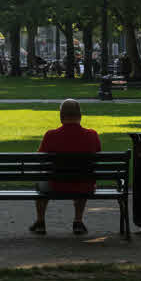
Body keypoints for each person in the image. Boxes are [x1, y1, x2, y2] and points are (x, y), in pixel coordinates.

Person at [30, 99, 101, 237]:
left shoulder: (51, 135)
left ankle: (40, 222)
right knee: (83, 178)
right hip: (84, 185)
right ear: (80, 116)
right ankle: (78, 221)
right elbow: (96, 158)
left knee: (41, 182)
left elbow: (40, 160)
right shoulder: (92, 135)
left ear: (61, 116)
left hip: (56, 185)